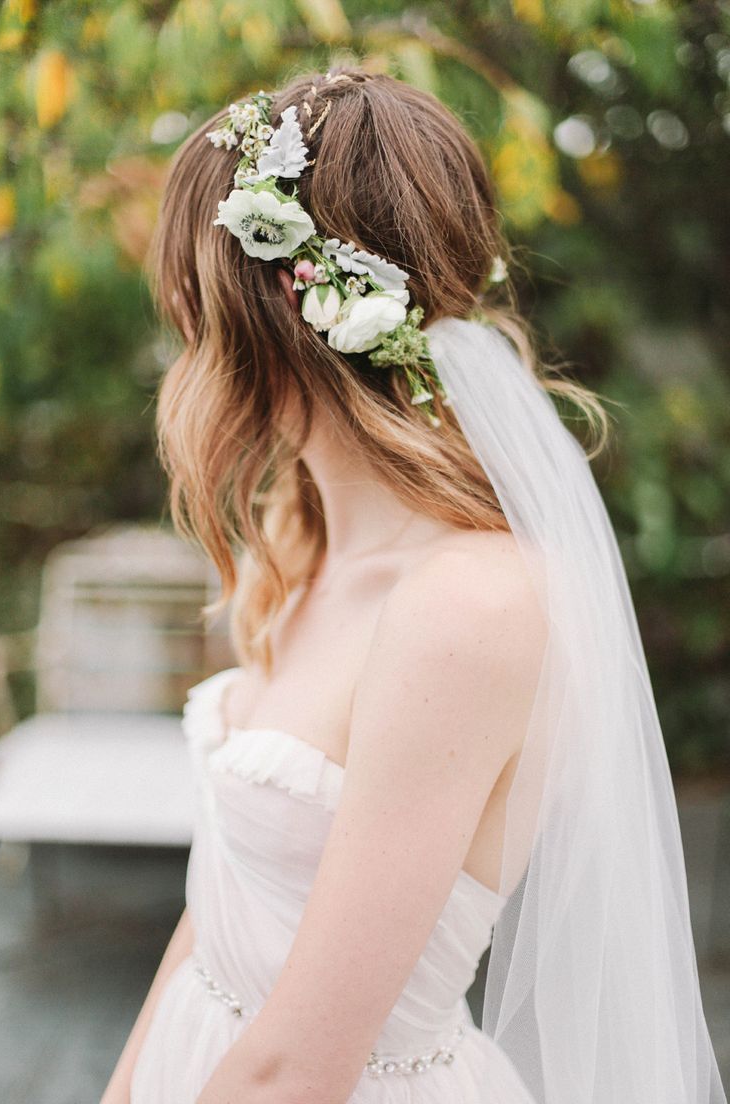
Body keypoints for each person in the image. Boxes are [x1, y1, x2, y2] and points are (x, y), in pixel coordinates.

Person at [101, 67, 726, 1104]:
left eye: (191, 291)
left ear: (268, 302)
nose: (179, 322)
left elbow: (298, 1070)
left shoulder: (466, 608)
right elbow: (220, 903)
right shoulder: (301, 545)